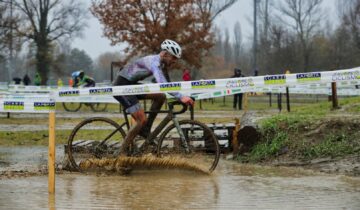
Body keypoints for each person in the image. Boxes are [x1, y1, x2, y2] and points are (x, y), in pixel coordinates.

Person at [113, 39, 194, 156]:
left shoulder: (161, 64)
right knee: (141, 120)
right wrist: (181, 97)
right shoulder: (154, 63)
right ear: (165, 54)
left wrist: (180, 97)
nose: (175, 61)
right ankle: (121, 152)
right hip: (122, 87)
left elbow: (167, 84)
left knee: (160, 96)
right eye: (174, 58)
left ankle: (146, 130)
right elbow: (162, 83)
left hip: (130, 85)